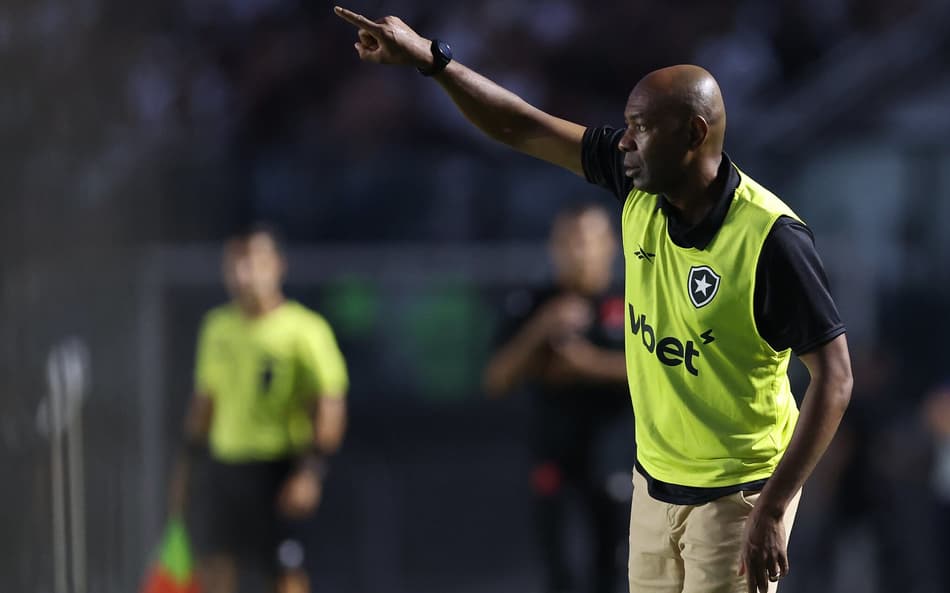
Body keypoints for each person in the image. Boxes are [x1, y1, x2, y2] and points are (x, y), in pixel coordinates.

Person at [333, 7, 853, 593]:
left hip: (738, 495)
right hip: (652, 485)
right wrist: (434, 60)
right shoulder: (634, 181)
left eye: (641, 127)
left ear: (694, 133)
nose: (625, 141)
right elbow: (522, 126)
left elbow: (834, 378)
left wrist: (776, 505)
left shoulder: (770, 239)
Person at [170, 225, 349, 593]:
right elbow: (205, 402)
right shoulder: (217, 328)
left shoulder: (305, 331)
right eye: (234, 265)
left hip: (277, 469)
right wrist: (187, 468)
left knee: (283, 570)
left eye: (252, 263)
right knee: (217, 566)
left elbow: (330, 406)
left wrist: (310, 472)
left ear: (278, 266)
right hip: (226, 468)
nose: (242, 275)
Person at [484, 203, 632, 593]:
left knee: (614, 574)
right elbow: (497, 379)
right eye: (565, 241)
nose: (575, 252)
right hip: (554, 461)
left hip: (617, 461)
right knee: (559, 571)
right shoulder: (534, 304)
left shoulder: (634, 301)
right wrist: (540, 329)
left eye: (584, 240)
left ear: (609, 246)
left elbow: (661, 375)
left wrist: (590, 365)